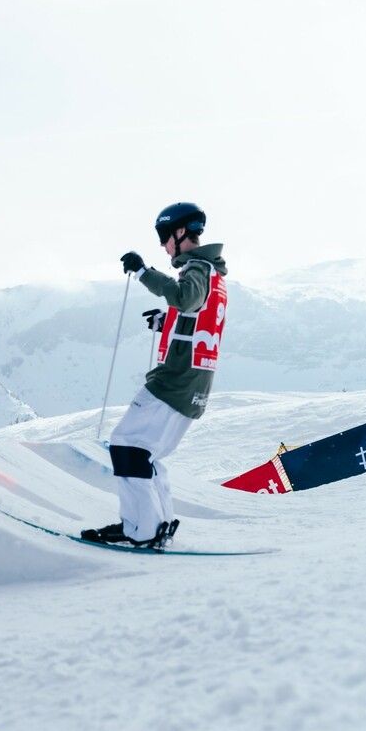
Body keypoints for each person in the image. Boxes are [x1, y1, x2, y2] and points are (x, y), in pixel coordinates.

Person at [82, 201, 228, 548]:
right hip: (194, 383)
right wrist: (166, 324)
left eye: (165, 237)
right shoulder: (213, 274)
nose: (163, 246)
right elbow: (196, 318)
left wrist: (144, 272)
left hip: (175, 381)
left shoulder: (198, 269)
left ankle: (142, 530)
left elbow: (185, 298)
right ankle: (157, 523)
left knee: (126, 446)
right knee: (147, 453)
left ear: (180, 233)